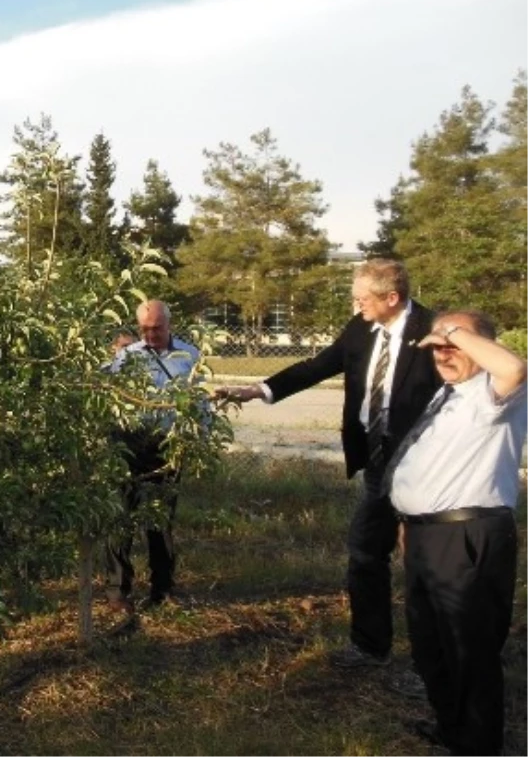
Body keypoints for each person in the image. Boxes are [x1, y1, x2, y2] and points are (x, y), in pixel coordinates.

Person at [216, 259, 440, 676]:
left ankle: (432, 663)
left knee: (424, 565)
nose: (356, 308)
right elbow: (317, 366)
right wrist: (258, 389)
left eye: (362, 299)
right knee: (365, 553)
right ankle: (371, 647)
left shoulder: (434, 330)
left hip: (424, 467)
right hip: (377, 463)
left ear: (391, 298)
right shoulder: (361, 329)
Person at [386, 311, 527, 754]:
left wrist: (453, 331)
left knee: (470, 651)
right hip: (428, 538)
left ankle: (479, 745)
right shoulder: (450, 394)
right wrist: (410, 522)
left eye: (454, 344)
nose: (443, 352)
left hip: (468, 539)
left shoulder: (495, 391)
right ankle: (453, 728)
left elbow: (515, 367)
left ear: (480, 345)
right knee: (430, 646)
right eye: (437, 345)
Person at [105, 300, 202, 615]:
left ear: (169, 325)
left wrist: (196, 439)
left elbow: (201, 404)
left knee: (160, 520)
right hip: (129, 445)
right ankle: (118, 592)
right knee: (121, 518)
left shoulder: (189, 356)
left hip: (167, 447)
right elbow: (108, 397)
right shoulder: (126, 358)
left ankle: (162, 589)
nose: (150, 335)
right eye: (144, 329)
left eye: (156, 328)